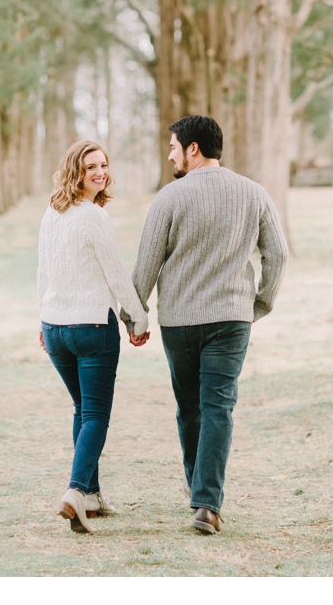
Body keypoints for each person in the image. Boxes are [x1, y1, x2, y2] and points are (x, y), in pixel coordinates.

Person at [125, 114, 288, 536]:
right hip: (233, 318)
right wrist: (260, 303)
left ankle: (200, 490)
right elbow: (279, 254)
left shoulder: (169, 197)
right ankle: (207, 502)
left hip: (179, 321)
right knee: (218, 406)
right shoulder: (254, 193)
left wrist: (134, 315)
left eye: (174, 146)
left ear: (193, 148)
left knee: (190, 407)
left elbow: (146, 264)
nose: (170, 154)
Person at [36, 140, 149, 534]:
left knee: (82, 411)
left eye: (103, 165)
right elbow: (116, 273)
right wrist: (137, 318)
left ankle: (93, 496)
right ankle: (75, 490)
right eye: (91, 168)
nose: (100, 173)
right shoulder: (95, 218)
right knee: (96, 414)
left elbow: (42, 273)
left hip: (55, 329)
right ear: (75, 173)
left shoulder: (52, 213)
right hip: (92, 328)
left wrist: (41, 321)